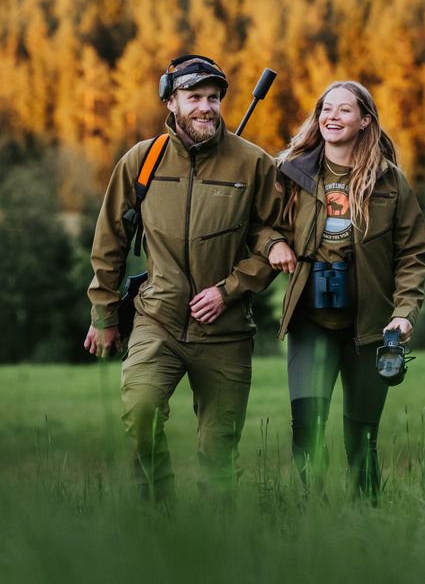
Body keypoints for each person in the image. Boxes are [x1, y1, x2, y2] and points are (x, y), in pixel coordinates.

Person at [84, 55, 290, 503]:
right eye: (194, 97)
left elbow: (274, 238)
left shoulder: (253, 163)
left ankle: (214, 536)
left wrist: (229, 290)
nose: (206, 107)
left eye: (213, 98)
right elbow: (110, 241)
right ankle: (158, 519)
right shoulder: (142, 161)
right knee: (139, 415)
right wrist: (104, 316)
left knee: (219, 452)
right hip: (156, 320)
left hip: (226, 332)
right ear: (171, 101)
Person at [269, 81, 425, 502]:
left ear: (365, 121)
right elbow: (261, 223)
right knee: (307, 430)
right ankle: (313, 520)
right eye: (326, 109)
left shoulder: (389, 181)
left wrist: (404, 311)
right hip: (311, 322)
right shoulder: (293, 173)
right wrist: (274, 243)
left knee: (362, 439)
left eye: (344, 110)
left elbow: (412, 252)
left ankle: (367, 520)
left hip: (371, 328)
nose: (332, 116)